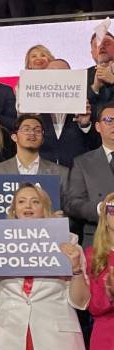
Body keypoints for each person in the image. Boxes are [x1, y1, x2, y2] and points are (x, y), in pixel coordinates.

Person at [0, 183, 88, 350]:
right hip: (7, 337)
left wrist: (75, 270)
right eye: (21, 201)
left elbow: (81, 302)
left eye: (35, 201)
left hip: (56, 340)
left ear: (45, 209)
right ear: (14, 210)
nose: (28, 206)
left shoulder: (69, 245)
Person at [0, 114, 70, 200]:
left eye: (37, 130)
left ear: (42, 140)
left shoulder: (61, 173)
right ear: (14, 137)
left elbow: (69, 205)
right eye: (26, 129)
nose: (32, 133)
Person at [67, 102, 114, 247]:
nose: (113, 124)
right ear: (98, 126)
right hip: (97, 238)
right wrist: (100, 208)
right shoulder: (82, 162)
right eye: (109, 120)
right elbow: (73, 204)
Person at [86, 191, 114, 350]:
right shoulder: (92, 255)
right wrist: (109, 294)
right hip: (106, 344)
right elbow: (94, 307)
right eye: (112, 209)